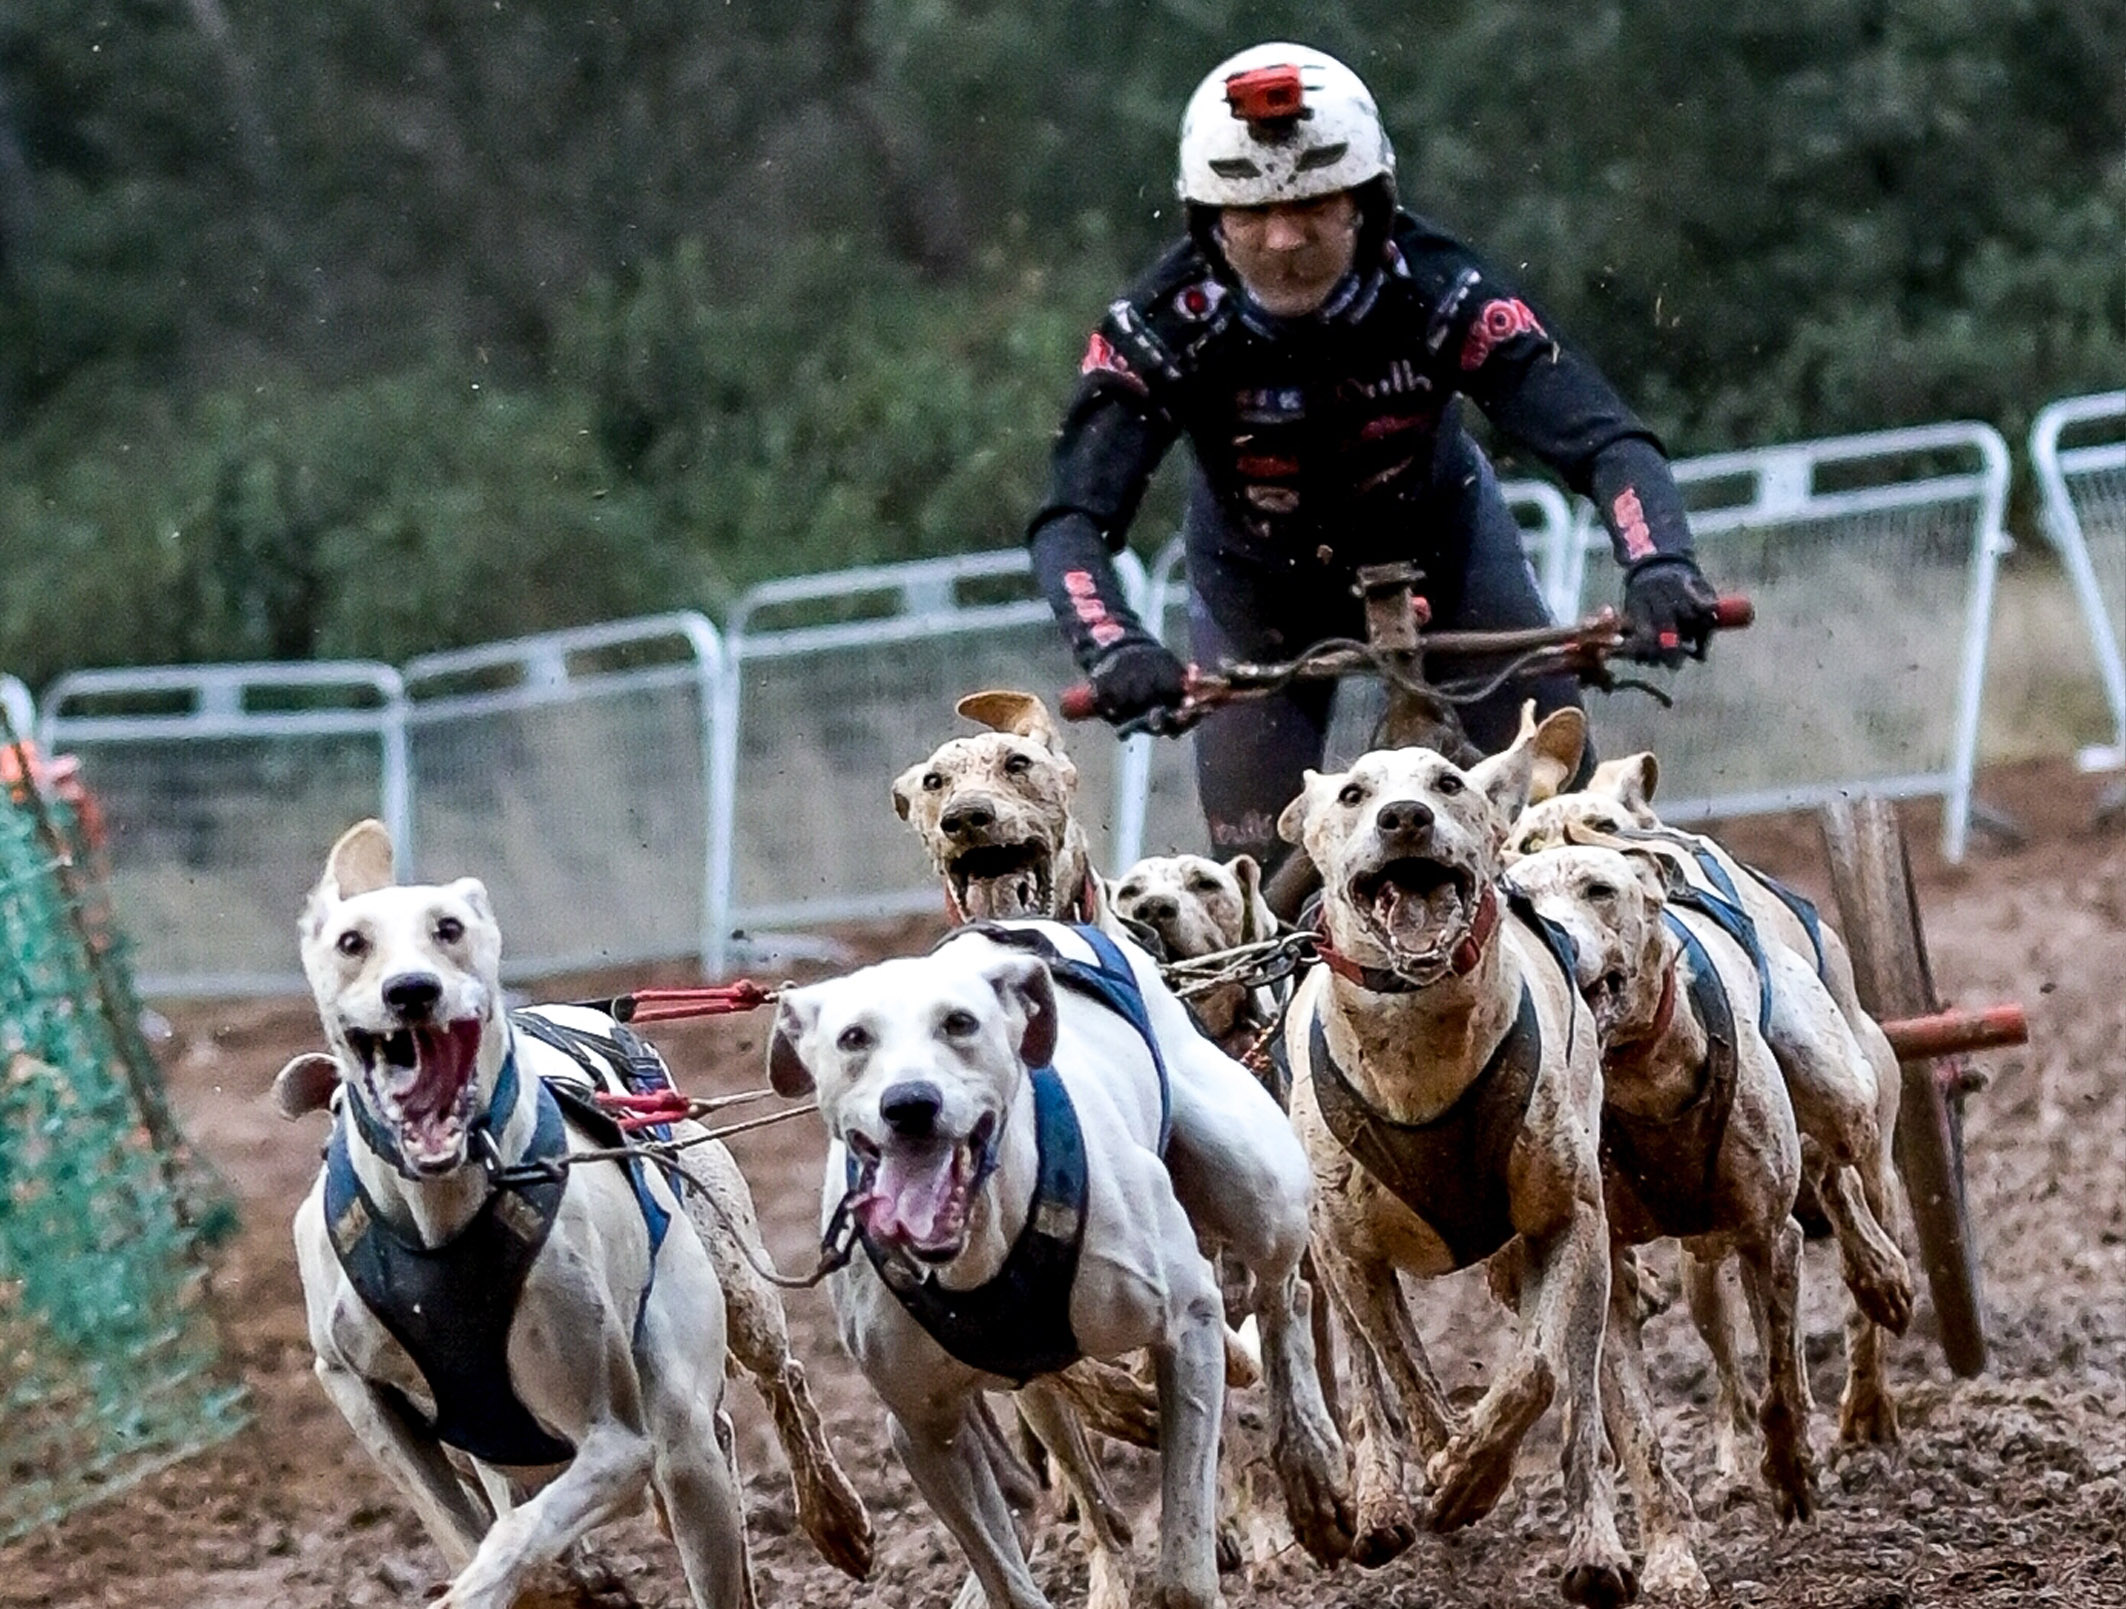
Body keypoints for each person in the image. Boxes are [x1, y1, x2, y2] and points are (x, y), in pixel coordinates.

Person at [1027, 41, 1720, 872]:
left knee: (1566, 826)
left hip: (1452, 559)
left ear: (1368, 203)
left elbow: (1605, 439)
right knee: (1264, 888)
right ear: (1208, 224)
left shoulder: (1442, 286)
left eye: (1315, 204)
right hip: (1256, 594)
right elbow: (1073, 515)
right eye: (1249, 213)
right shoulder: (1161, 325)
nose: (1283, 239)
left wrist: (1659, 566)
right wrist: (1117, 647)